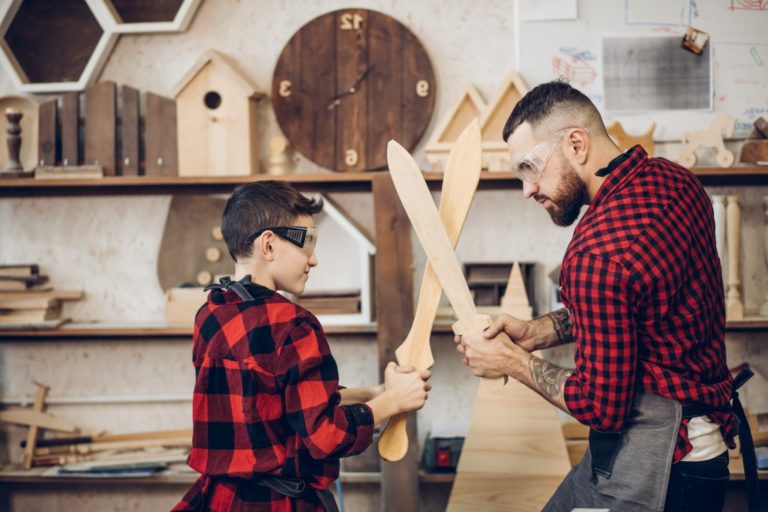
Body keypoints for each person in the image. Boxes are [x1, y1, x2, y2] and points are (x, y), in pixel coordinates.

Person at [454, 80, 739, 512]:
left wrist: (510, 361)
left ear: (576, 144)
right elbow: (636, 305)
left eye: (530, 167)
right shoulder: (676, 183)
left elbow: (600, 406)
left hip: (664, 465)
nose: (527, 189)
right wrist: (536, 331)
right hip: (707, 452)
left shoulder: (595, 254)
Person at [174, 181, 431, 511]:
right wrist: (392, 402)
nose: (314, 260)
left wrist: (374, 392)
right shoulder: (293, 324)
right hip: (276, 503)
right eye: (306, 243)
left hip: (221, 499)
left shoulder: (210, 313)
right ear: (268, 245)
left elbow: (269, 397)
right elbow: (325, 437)